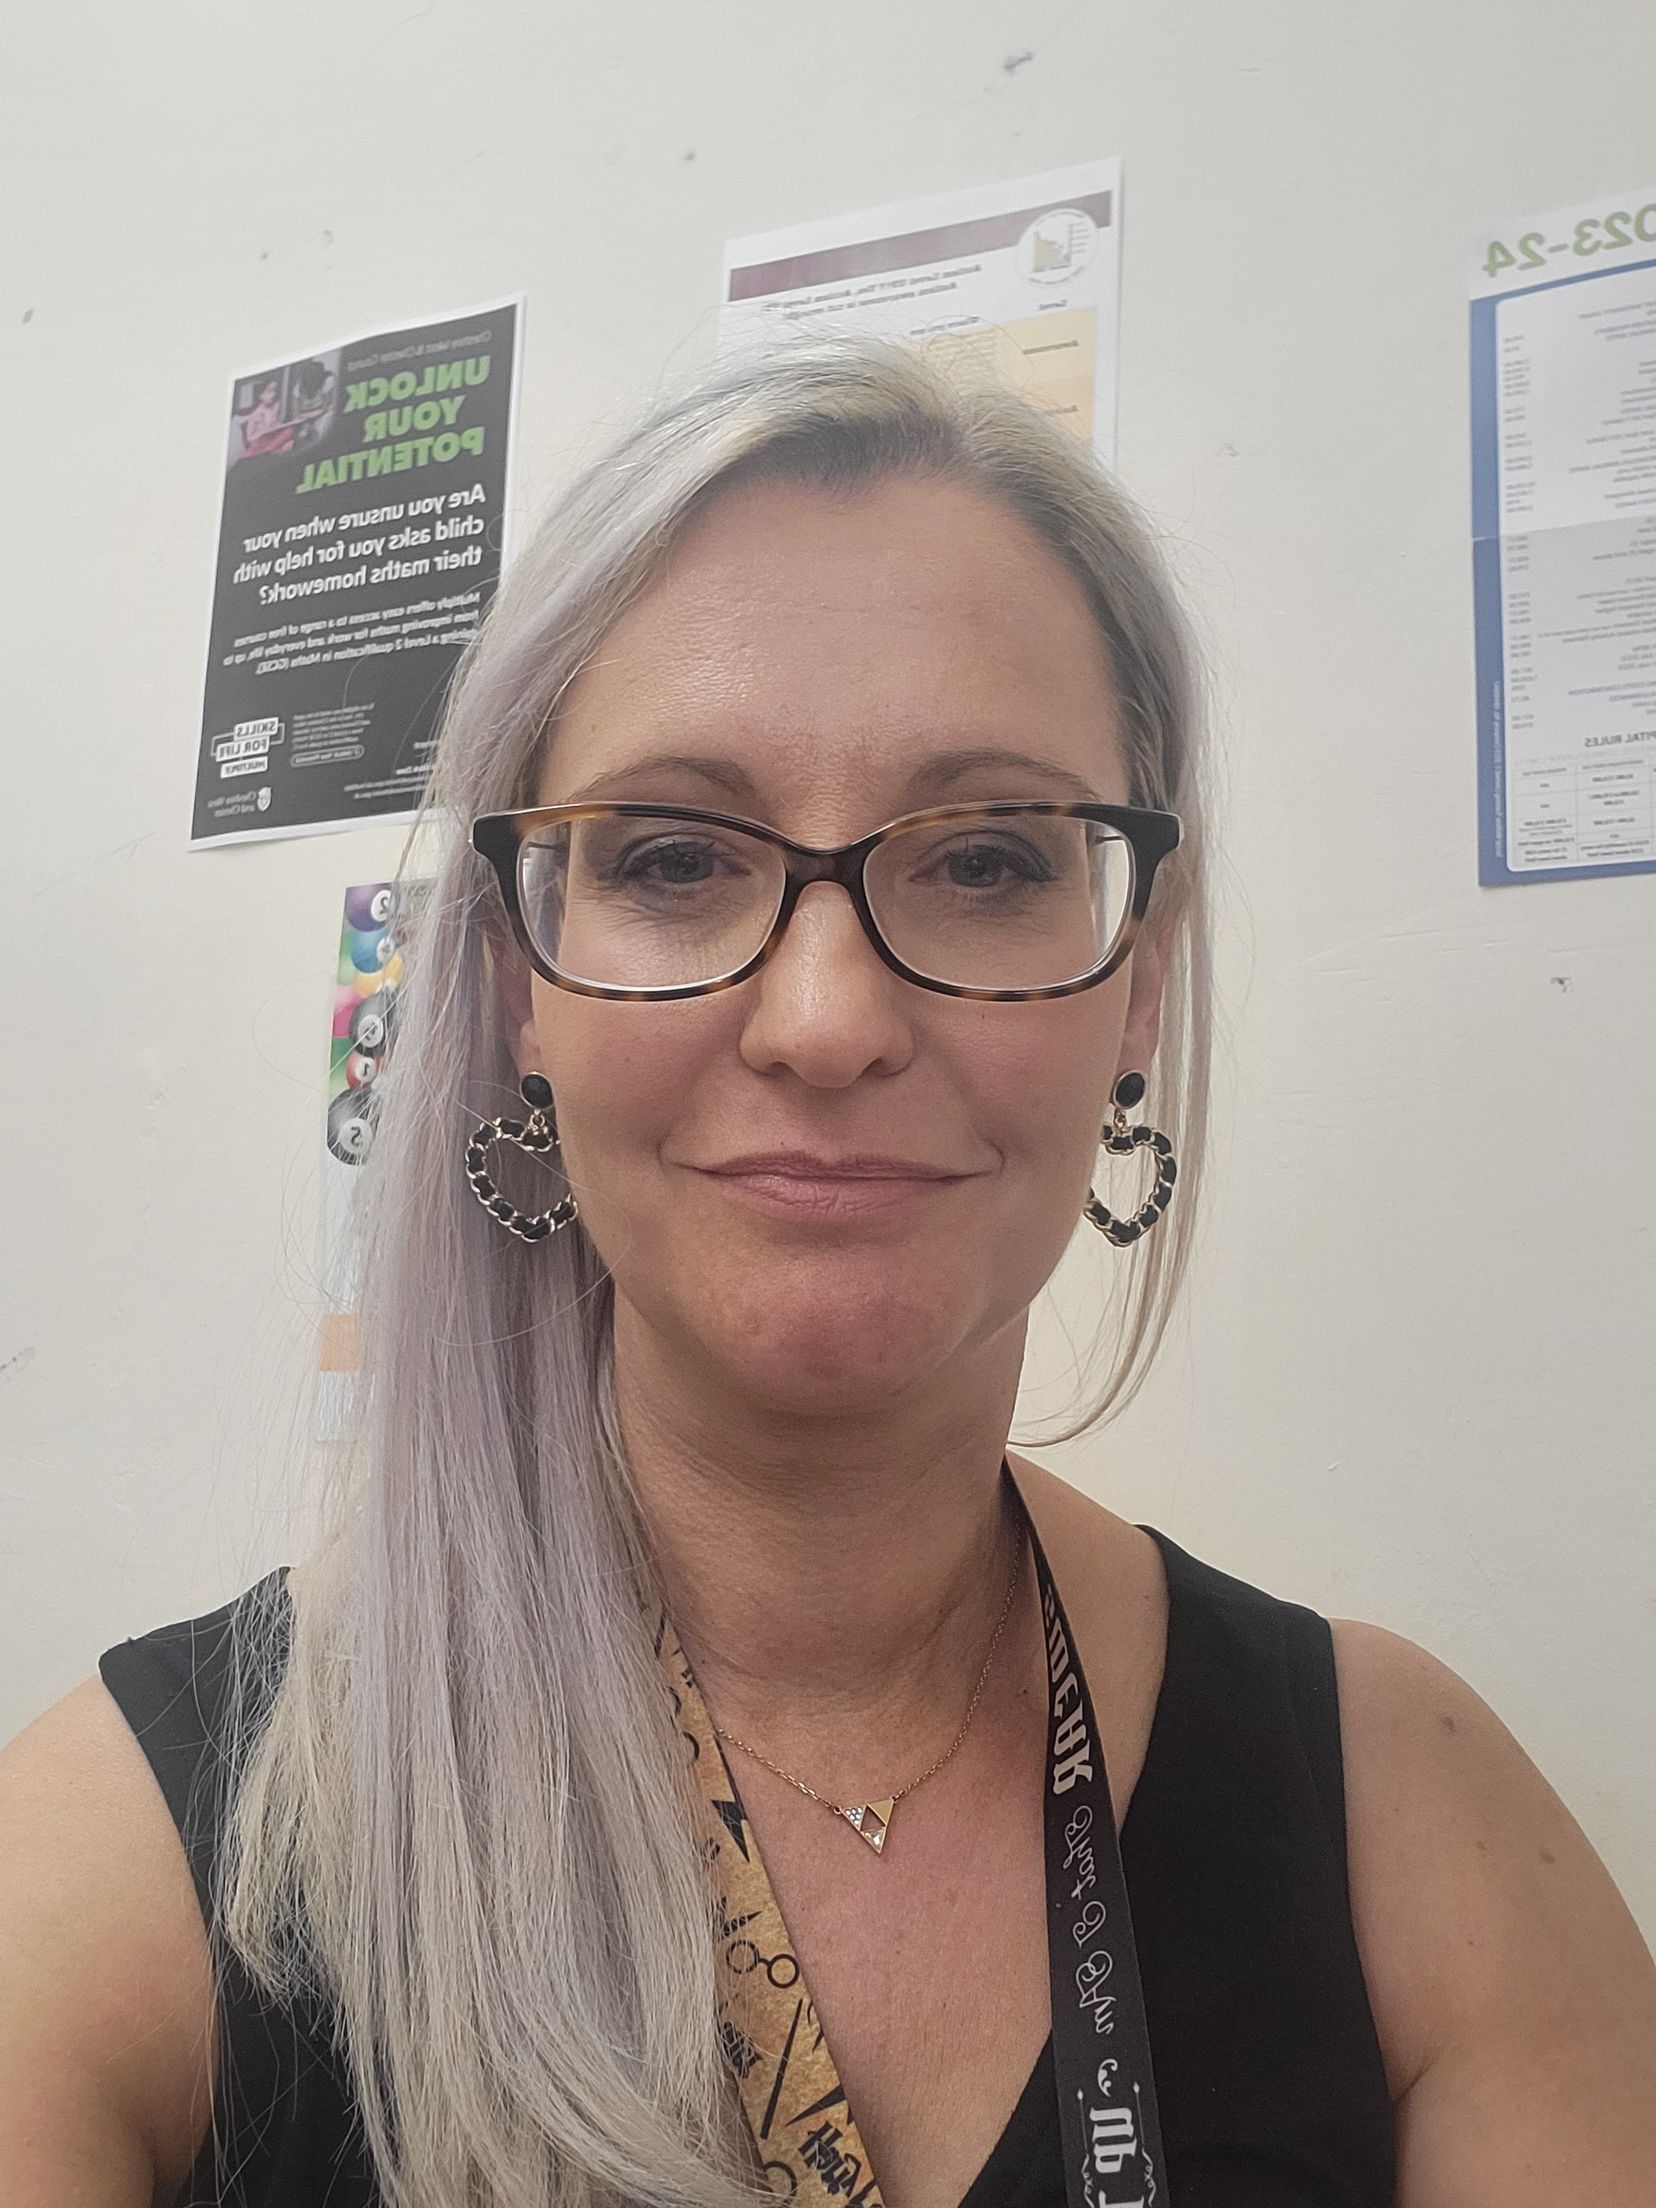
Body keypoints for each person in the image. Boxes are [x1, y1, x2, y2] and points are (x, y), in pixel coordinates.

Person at [4, 333, 1655, 2208]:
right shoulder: (128, 1862)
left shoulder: (1410, 1820)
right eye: (671, 856)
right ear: (518, 981)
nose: (824, 1018)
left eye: (990, 859)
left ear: (1141, 975)